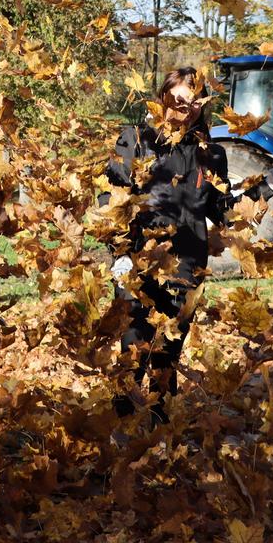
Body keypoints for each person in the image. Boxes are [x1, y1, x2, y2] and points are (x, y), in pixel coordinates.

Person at [106, 66, 228, 425]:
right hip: (138, 263)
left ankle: (161, 437)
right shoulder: (136, 139)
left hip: (187, 265)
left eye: (194, 100)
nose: (184, 106)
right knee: (134, 351)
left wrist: (267, 190)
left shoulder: (212, 155)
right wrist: (120, 253)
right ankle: (121, 432)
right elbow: (112, 198)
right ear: (163, 97)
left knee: (167, 354)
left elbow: (222, 211)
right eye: (177, 97)